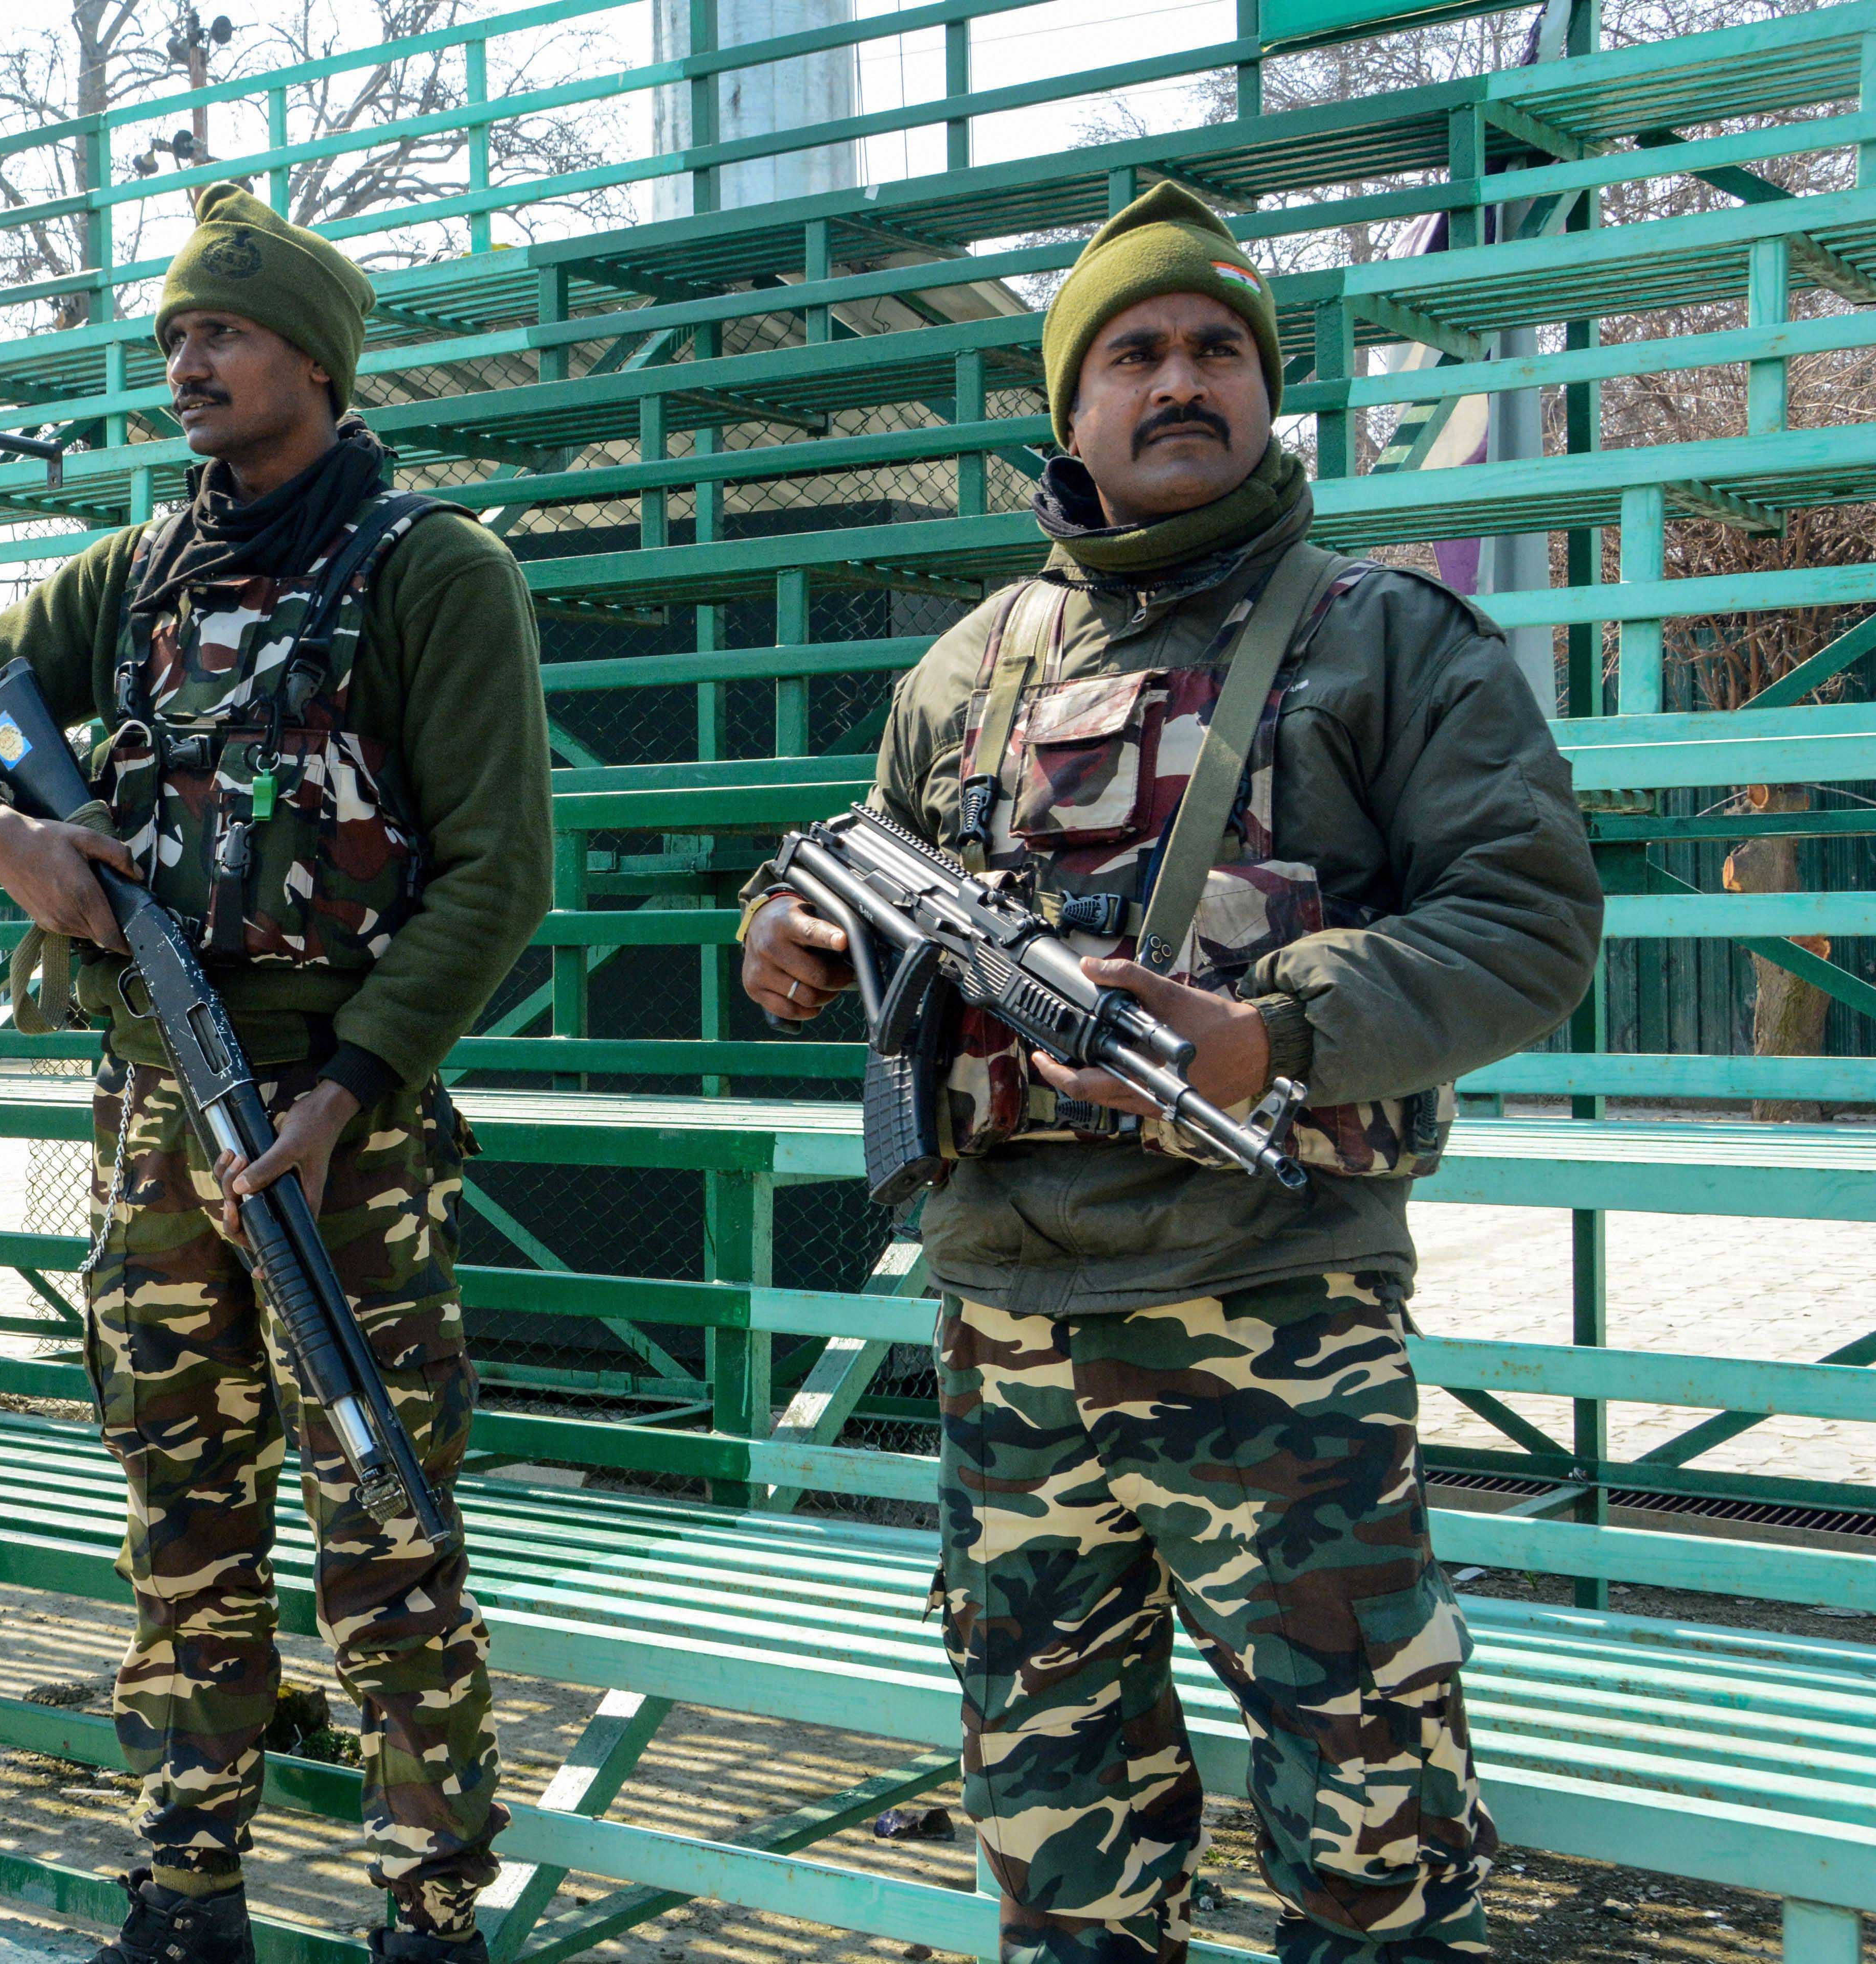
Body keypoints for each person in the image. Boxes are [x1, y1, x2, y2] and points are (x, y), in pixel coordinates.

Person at [740, 185, 1602, 1963]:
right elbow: (843, 867)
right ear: (1071, 411)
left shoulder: (1391, 640)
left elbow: (1527, 926)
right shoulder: (966, 669)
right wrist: (782, 939)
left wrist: (1272, 1028)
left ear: (1267, 393)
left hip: (1270, 1318)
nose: (1179, 380)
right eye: (1133, 353)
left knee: (1371, 1842)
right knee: (1058, 1842)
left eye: (1218, 348)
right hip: (1005, 1327)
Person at [0, 183, 550, 1964]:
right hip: (158, 1116)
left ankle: (428, 1911)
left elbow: (497, 873)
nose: (185, 360)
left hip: (347, 1131)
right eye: (172, 334)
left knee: (385, 1517)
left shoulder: (433, 570)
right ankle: (185, 1892)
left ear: (311, 359)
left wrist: (356, 1084)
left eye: (220, 331)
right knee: (181, 1515)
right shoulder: (135, 575)